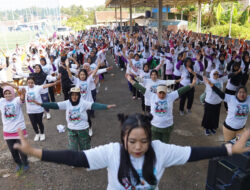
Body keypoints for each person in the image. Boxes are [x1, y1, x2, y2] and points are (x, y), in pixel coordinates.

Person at [14, 114, 250, 189]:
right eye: (133, 141)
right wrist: (34, 151)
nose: (139, 147)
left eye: (144, 141)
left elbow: (194, 153)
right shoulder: (112, 152)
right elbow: (75, 157)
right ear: (123, 138)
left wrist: (230, 149)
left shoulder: (160, 150)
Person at [32, 87, 116, 150]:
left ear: (79, 96)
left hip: (83, 129)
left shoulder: (83, 103)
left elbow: (94, 105)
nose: (74, 97)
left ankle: (87, 159)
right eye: (72, 95)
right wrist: (42, 104)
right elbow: (55, 105)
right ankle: (75, 160)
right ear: (70, 96)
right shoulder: (67, 103)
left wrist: (106, 106)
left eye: (76, 95)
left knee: (85, 147)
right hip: (71, 129)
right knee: (72, 147)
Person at [127, 74, 196, 143]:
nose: (162, 95)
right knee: (155, 144)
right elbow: (140, 88)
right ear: (157, 92)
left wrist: (192, 84)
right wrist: (130, 80)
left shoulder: (171, 96)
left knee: (165, 144)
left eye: (163, 93)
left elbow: (181, 90)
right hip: (154, 126)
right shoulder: (151, 96)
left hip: (167, 126)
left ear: (166, 92)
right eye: (160, 93)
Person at [4, 77, 58, 141]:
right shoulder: (25, 88)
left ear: (34, 82)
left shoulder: (38, 87)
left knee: (39, 122)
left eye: (32, 83)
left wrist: (54, 83)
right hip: (30, 111)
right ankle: (37, 134)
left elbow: (46, 85)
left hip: (38, 110)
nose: (30, 84)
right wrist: (8, 84)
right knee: (33, 123)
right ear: (27, 83)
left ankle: (42, 134)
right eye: (29, 83)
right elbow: (16, 86)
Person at [0, 86, 29, 172]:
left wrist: (23, 94)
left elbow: (21, 99)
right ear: (3, 94)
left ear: (12, 93)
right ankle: (19, 163)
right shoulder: (1, 101)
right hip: (8, 131)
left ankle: (25, 163)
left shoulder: (16, 100)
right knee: (13, 151)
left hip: (19, 130)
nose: (8, 95)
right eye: (6, 93)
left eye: (9, 93)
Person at [201, 70, 228, 136]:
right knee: (208, 116)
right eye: (215, 74)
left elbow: (229, 76)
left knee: (215, 116)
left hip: (217, 102)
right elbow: (199, 76)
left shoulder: (220, 80)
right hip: (209, 102)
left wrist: (238, 71)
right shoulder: (208, 80)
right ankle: (207, 128)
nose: (216, 75)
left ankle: (213, 127)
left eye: (217, 74)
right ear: (211, 74)